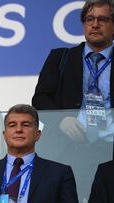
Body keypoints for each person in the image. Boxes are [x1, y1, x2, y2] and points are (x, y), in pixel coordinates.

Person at [32, 0, 114, 200]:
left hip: (109, 149)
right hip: (67, 148)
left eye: (102, 19)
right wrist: (61, 119)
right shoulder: (61, 57)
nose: (95, 24)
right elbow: (40, 98)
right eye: (89, 19)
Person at [0, 104, 78, 203]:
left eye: (26, 125)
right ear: (4, 134)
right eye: (12, 125)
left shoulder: (60, 173)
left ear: (38, 134)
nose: (18, 130)